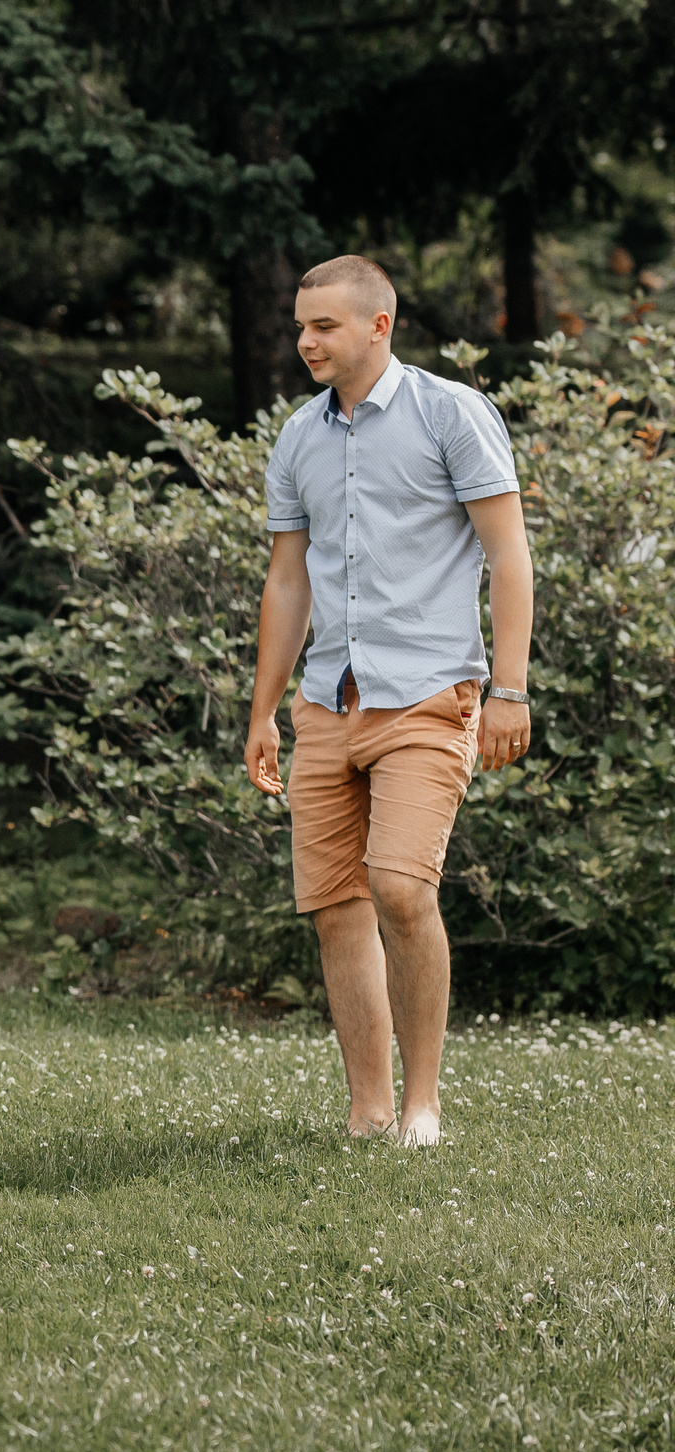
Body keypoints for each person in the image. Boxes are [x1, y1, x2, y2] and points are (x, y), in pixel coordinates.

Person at [243, 254, 534, 1147]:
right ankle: (370, 1109)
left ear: (379, 325)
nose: (306, 342)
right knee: (337, 904)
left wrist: (510, 689)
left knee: (401, 888)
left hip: (429, 696)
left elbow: (509, 554)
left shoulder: (452, 414)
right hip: (329, 700)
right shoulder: (298, 436)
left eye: (324, 326)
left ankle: (423, 1103)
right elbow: (288, 582)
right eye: (300, 325)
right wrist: (261, 711)